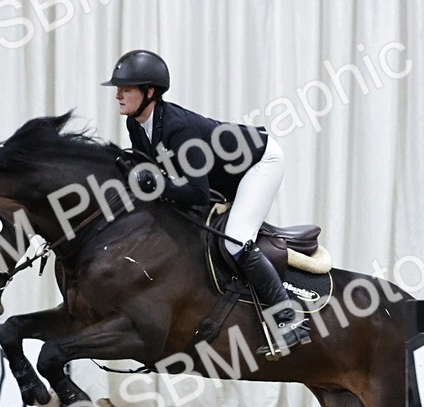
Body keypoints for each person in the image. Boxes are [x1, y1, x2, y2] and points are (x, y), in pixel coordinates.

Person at [102, 49, 310, 357]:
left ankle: (289, 320)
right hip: (225, 174)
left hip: (261, 162)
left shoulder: (177, 128)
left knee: (237, 241)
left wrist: (157, 186)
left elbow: (197, 193)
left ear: (149, 92)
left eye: (126, 89)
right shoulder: (136, 124)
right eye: (118, 88)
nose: (118, 94)